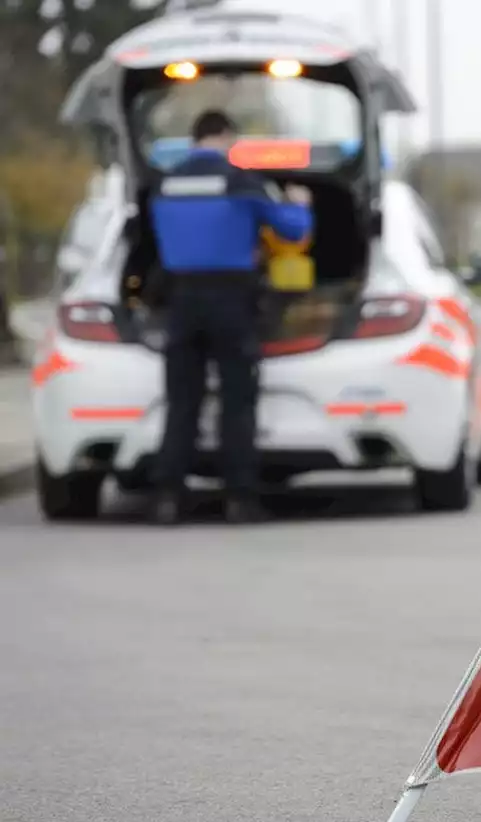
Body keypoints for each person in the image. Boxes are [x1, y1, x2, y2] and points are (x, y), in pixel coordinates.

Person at [148, 110, 313, 525]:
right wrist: (300, 205)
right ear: (225, 136)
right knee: (237, 402)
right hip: (230, 301)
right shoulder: (241, 182)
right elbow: (292, 231)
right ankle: (239, 499)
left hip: (180, 302)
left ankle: (168, 497)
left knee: (182, 402)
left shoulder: (164, 184)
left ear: (194, 137)